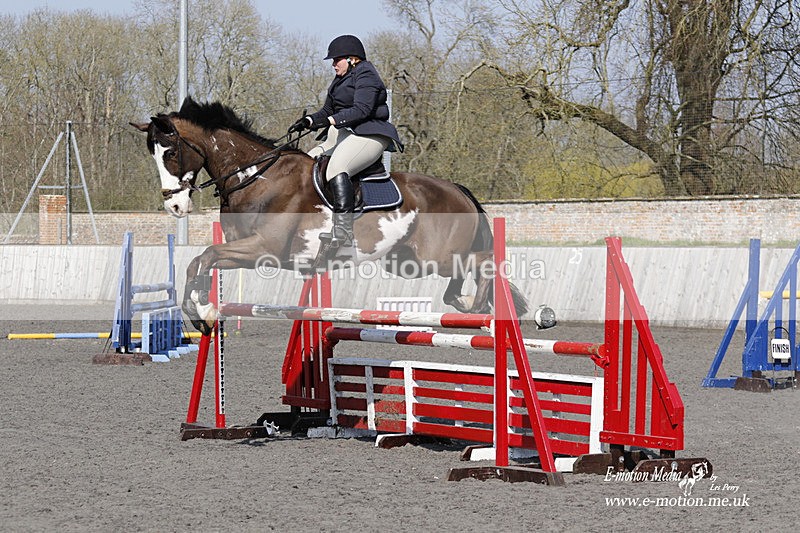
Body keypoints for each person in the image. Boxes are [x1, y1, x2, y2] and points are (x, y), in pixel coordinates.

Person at [289, 34, 403, 247]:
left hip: (369, 134)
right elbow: (327, 111)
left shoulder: (367, 74)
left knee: (336, 168)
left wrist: (332, 120)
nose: (333, 65)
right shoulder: (340, 80)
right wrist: (308, 120)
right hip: (344, 134)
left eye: (336, 60)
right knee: (303, 164)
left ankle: (343, 232)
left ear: (352, 59)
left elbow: (362, 109)